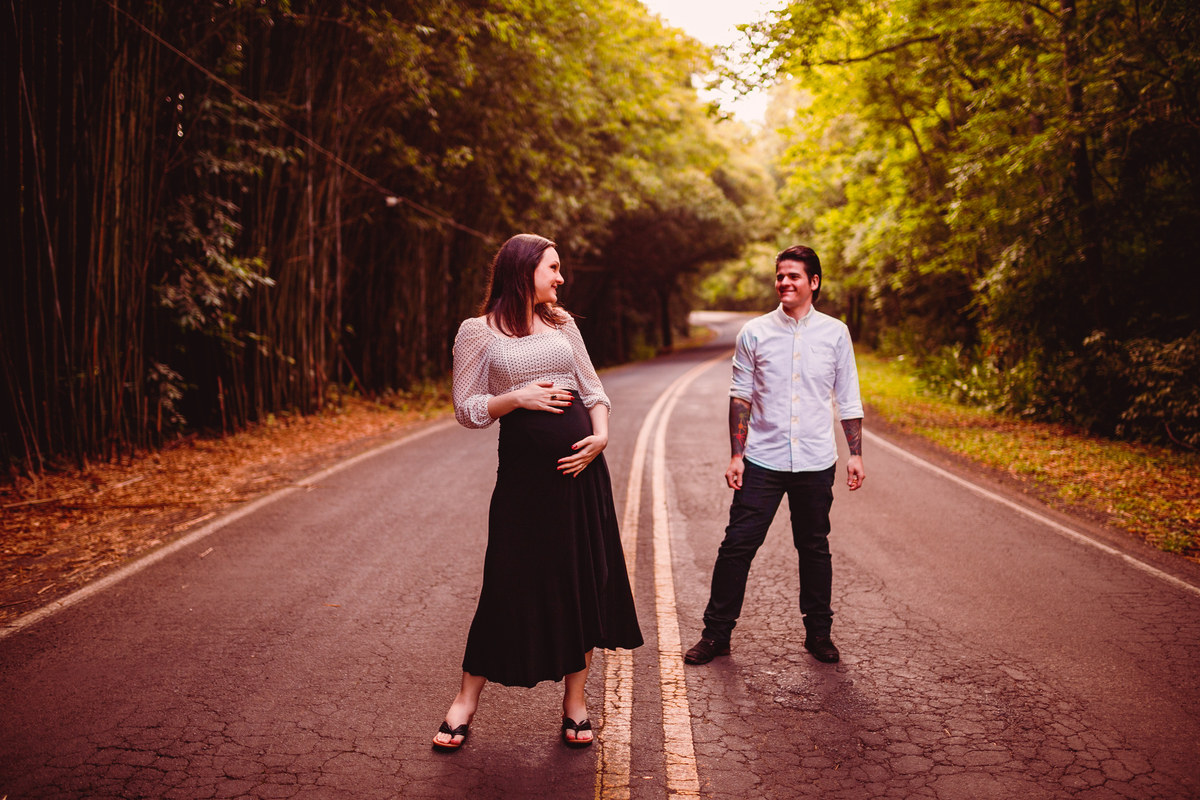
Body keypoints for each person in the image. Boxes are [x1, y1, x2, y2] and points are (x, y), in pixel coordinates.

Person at [432, 233, 643, 751]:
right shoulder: (477, 332)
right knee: (507, 579)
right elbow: (467, 409)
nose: (561, 277)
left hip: (582, 472)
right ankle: (464, 702)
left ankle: (576, 704)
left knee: (582, 580)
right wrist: (517, 397)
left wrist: (602, 436)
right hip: (525, 481)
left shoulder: (562, 322)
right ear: (525, 270)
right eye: (553, 267)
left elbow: (593, 390)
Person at [685, 245, 864, 667]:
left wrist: (856, 454)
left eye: (793, 276)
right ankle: (716, 635)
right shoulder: (755, 332)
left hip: (817, 460)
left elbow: (848, 396)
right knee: (737, 546)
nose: (784, 282)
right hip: (762, 460)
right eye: (780, 276)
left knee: (814, 548)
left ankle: (819, 634)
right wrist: (736, 455)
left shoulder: (836, 333)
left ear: (814, 282)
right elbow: (740, 396)